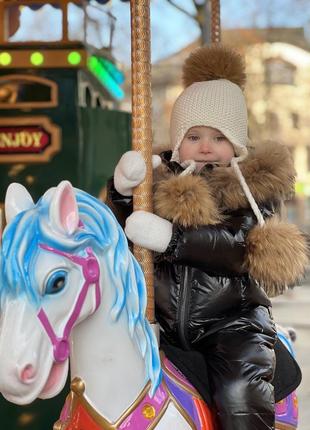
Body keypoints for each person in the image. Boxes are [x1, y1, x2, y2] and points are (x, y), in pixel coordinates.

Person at [107, 44, 307, 430]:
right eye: (193, 135)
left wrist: (173, 239)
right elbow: (126, 229)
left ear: (236, 144)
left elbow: (236, 246)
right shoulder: (160, 182)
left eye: (218, 136)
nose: (204, 145)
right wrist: (123, 190)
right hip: (162, 322)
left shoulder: (247, 191)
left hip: (232, 324)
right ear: (178, 141)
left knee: (238, 389)